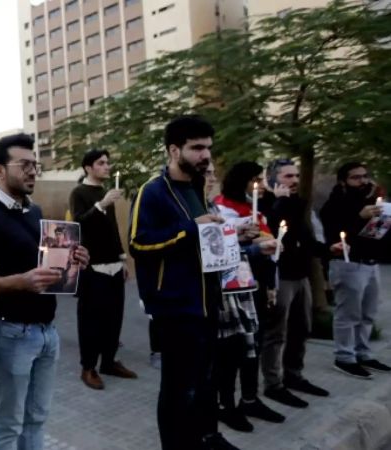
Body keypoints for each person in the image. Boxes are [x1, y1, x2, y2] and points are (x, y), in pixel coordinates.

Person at [0, 133, 90, 450]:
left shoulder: (35, 213)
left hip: (47, 332)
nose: (33, 170)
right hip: (10, 333)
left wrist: (72, 260)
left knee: (36, 419)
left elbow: (46, 263)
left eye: (35, 164)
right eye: (24, 164)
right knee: (9, 425)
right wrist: (19, 282)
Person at [128, 115, 237, 450]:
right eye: (197, 148)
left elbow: (206, 238)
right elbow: (139, 243)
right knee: (178, 388)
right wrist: (192, 228)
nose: (205, 155)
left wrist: (234, 235)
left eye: (208, 148)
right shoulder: (153, 192)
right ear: (174, 150)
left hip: (207, 302)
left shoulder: (197, 189)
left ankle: (207, 437)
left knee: (206, 381)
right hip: (175, 308)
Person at [212, 162, 286, 431]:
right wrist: (251, 242)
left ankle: (250, 398)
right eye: (256, 180)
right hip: (231, 287)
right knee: (231, 349)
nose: (262, 185)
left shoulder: (254, 207)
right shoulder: (221, 209)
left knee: (253, 344)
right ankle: (226, 405)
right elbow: (221, 246)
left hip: (256, 282)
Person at [262, 159, 338, 408]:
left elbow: (304, 239)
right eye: (287, 176)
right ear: (272, 180)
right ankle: (273, 384)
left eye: (296, 175)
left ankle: (294, 374)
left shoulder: (295, 204)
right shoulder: (265, 204)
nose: (294, 180)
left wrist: (329, 249)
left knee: (301, 327)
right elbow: (273, 231)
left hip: (300, 274)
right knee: (276, 332)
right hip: (279, 276)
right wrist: (280, 200)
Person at [69, 149, 136, 390]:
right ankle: (88, 367)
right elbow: (78, 223)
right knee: (90, 320)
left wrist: (122, 257)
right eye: (101, 163)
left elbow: (111, 228)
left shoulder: (105, 193)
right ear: (88, 167)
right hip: (92, 266)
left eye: (108, 163)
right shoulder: (79, 192)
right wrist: (102, 204)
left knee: (114, 317)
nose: (107, 167)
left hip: (113, 265)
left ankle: (109, 361)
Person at [320, 162, 390, 378]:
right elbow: (334, 231)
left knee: (367, 313)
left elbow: (372, 235)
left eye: (365, 176)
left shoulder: (368, 201)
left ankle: (363, 353)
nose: (363, 181)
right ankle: (344, 357)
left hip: (370, 263)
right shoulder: (334, 204)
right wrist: (359, 217)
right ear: (343, 181)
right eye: (356, 177)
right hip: (347, 263)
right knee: (348, 313)